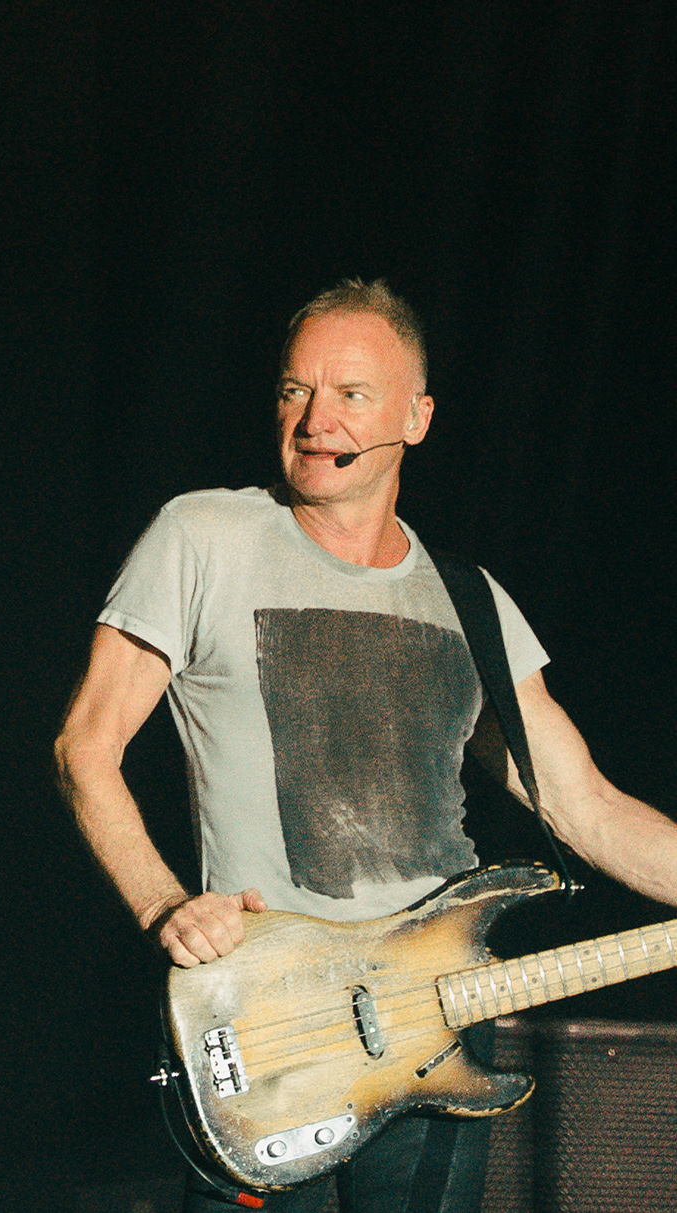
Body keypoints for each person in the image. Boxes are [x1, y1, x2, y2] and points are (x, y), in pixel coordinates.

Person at [54, 279, 677, 1212]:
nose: (315, 421)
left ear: (414, 419)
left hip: (440, 1029)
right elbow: (84, 746)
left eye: (350, 394)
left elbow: (584, 805)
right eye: (293, 390)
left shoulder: (471, 601)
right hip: (267, 1031)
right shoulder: (203, 535)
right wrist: (162, 903)